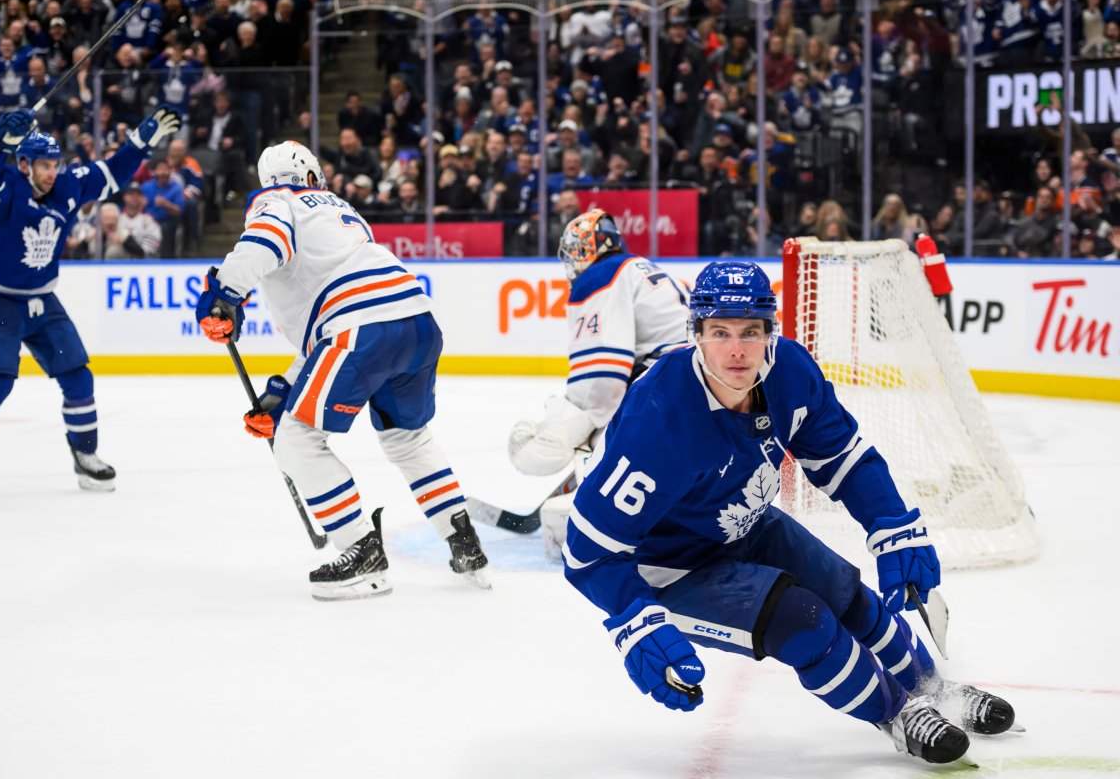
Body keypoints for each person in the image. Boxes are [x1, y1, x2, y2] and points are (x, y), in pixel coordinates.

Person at [561, 262, 1016, 765]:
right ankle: (898, 713)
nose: (736, 350)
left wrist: (891, 524)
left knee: (848, 596)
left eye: (750, 332)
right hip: (673, 570)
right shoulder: (658, 419)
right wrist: (635, 620)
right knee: (805, 620)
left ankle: (935, 689)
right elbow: (589, 551)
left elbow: (843, 458)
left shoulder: (791, 373)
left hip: (744, 523)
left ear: (769, 332)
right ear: (696, 335)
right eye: (720, 333)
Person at [193, 141, 490, 600]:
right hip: (416, 322)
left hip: (360, 327)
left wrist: (225, 294)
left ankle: (362, 553)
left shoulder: (277, 201)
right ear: (313, 175)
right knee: (408, 440)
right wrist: (281, 393)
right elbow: (326, 332)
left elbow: (266, 244)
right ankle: (464, 541)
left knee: (297, 441)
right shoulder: (340, 210)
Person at [0, 104, 182, 503]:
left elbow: (112, 172)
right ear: (24, 165)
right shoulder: (7, 185)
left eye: (55, 164)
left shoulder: (69, 185)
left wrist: (141, 140)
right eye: (43, 165)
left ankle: (85, 456)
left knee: (78, 376)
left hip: (41, 297)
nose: (52, 172)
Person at [506, 210, 689, 557]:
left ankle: (602, 518)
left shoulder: (601, 275)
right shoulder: (639, 267)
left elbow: (600, 382)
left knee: (594, 429)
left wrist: (566, 428)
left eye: (573, 253)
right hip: (694, 390)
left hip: (670, 396)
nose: (572, 264)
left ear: (585, 248)